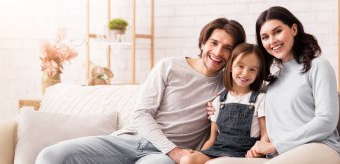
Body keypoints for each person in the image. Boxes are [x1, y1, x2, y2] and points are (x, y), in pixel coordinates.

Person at [35, 18, 246, 164]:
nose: (218, 52)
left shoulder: (229, 84)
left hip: (161, 158)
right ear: (203, 42)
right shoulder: (170, 66)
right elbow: (141, 114)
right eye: (214, 43)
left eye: (227, 48)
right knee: (51, 156)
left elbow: (257, 81)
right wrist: (174, 151)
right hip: (130, 140)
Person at [206, 6, 340, 164]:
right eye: (265, 37)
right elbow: (243, 92)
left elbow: (326, 121)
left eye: (277, 31)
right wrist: (220, 99)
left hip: (319, 148)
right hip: (279, 155)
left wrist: (273, 146)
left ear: (293, 29)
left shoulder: (318, 66)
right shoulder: (272, 81)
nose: (272, 41)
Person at [180, 43, 269, 164]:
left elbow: (265, 136)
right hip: (218, 149)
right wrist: (199, 153)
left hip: (245, 152)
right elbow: (212, 139)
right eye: (240, 66)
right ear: (231, 66)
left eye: (252, 69)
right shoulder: (219, 101)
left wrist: (257, 151)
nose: (245, 73)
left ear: (258, 73)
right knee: (187, 160)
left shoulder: (260, 99)